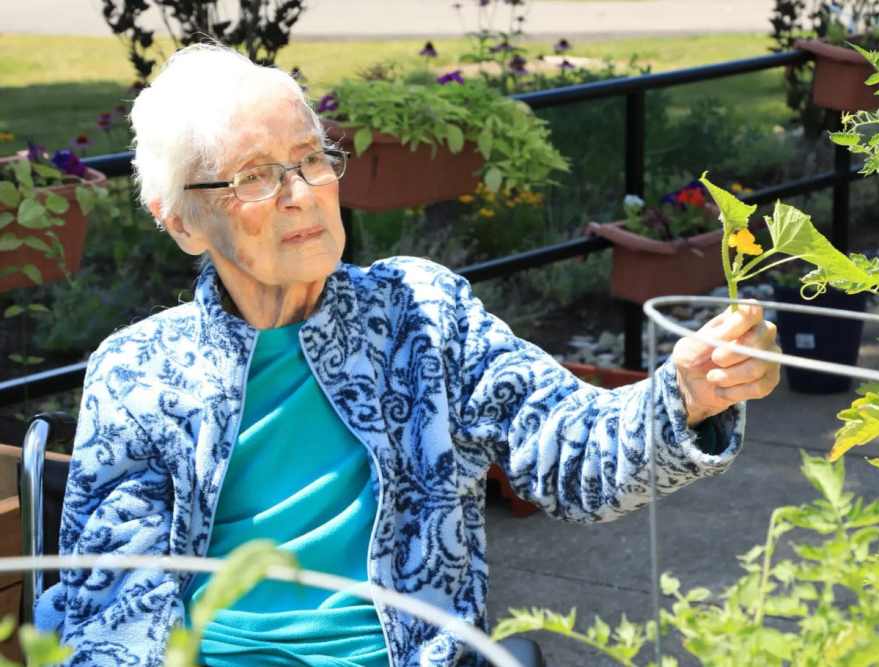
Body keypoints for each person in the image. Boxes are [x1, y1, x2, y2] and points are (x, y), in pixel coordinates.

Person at [34, 44, 781, 667]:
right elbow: (115, 608)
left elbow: (572, 455)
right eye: (255, 176)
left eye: (311, 158)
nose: (301, 193)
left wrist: (686, 396)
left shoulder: (422, 314)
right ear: (183, 222)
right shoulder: (138, 373)